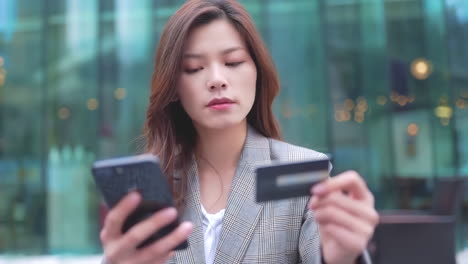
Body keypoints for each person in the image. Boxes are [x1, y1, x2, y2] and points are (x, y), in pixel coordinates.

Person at [99, 0, 378, 263]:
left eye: (233, 62)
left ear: (258, 72)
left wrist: (341, 258)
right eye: (194, 68)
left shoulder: (301, 171)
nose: (217, 80)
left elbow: (327, 253)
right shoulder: (149, 187)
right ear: (173, 87)